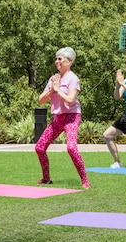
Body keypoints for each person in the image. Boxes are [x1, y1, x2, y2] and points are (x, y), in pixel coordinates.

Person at [35, 47, 91, 189]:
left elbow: (71, 100)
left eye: (60, 59)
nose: (57, 61)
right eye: (56, 59)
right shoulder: (53, 79)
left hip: (72, 117)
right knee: (39, 147)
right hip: (57, 119)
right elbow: (41, 100)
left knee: (71, 148)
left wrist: (58, 89)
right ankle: (46, 178)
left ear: (69, 61)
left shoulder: (73, 78)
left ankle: (85, 180)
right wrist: (52, 89)